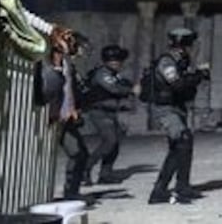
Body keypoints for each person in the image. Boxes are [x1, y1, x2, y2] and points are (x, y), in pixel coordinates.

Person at [147, 27, 210, 204]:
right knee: (183, 139)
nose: (193, 47)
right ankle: (170, 189)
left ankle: (174, 188)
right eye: (191, 43)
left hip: (177, 107)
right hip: (166, 108)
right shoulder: (167, 62)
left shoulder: (181, 60)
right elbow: (178, 85)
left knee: (180, 146)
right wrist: (198, 75)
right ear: (184, 44)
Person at [38, 25, 89, 200]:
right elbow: (48, 90)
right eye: (74, 43)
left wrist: (74, 108)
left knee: (79, 153)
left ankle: (71, 193)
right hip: (48, 117)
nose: (78, 48)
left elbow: (70, 91)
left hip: (64, 118)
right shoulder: (46, 64)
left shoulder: (68, 65)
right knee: (43, 158)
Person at [80, 44, 135, 186]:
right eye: (117, 60)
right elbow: (114, 89)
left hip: (109, 111)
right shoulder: (102, 73)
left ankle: (105, 174)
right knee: (110, 141)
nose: (120, 63)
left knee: (115, 143)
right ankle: (84, 168)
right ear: (110, 60)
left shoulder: (112, 74)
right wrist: (131, 90)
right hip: (99, 111)